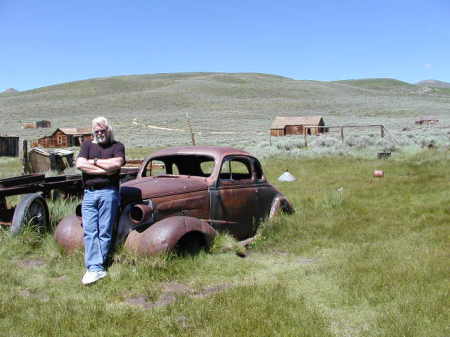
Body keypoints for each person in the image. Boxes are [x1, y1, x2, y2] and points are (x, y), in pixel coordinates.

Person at [76, 117, 125, 285]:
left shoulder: (117, 146)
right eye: (96, 131)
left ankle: (96, 267)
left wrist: (94, 162)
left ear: (108, 130)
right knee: (90, 230)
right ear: (93, 131)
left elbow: (117, 164)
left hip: (108, 193)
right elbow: (80, 164)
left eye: (102, 130)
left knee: (104, 230)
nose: (99, 133)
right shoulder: (87, 145)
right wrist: (104, 170)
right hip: (89, 194)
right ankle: (96, 268)